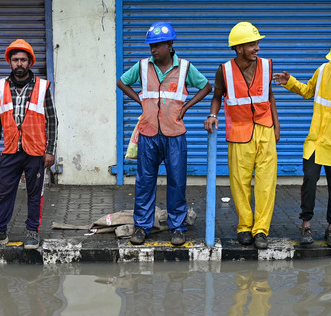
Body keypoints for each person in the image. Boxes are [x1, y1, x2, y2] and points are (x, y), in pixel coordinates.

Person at [116, 22, 212, 247]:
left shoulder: (186, 67)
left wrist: (186, 108)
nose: (153, 49)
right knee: (144, 182)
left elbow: (206, 86)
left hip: (175, 135)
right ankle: (141, 226)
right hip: (148, 133)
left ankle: (177, 227)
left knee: (177, 182)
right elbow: (122, 82)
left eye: (157, 45)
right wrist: (140, 100)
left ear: (170, 45)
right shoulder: (141, 66)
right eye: (151, 45)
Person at [274, 32, 331, 248]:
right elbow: (308, 91)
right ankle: (306, 225)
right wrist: (290, 82)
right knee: (309, 182)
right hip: (316, 140)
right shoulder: (324, 69)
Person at [204, 22, 279, 250]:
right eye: (252, 44)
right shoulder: (224, 70)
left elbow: (270, 96)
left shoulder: (266, 65)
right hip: (239, 132)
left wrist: (277, 126)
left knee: (267, 183)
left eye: (257, 43)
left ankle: (261, 230)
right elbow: (217, 96)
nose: (257, 48)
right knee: (240, 183)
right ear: (238, 48)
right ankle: (245, 226)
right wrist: (212, 115)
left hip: (265, 129)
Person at [0, 39, 57, 251]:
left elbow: (52, 120)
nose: (19, 63)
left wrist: (50, 151)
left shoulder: (42, 86)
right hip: (11, 149)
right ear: (9, 62)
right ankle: (0, 232)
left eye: (23, 59)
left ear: (30, 62)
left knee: (34, 193)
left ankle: (32, 232)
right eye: (15, 60)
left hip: (35, 150)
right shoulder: (2, 86)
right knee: (3, 193)